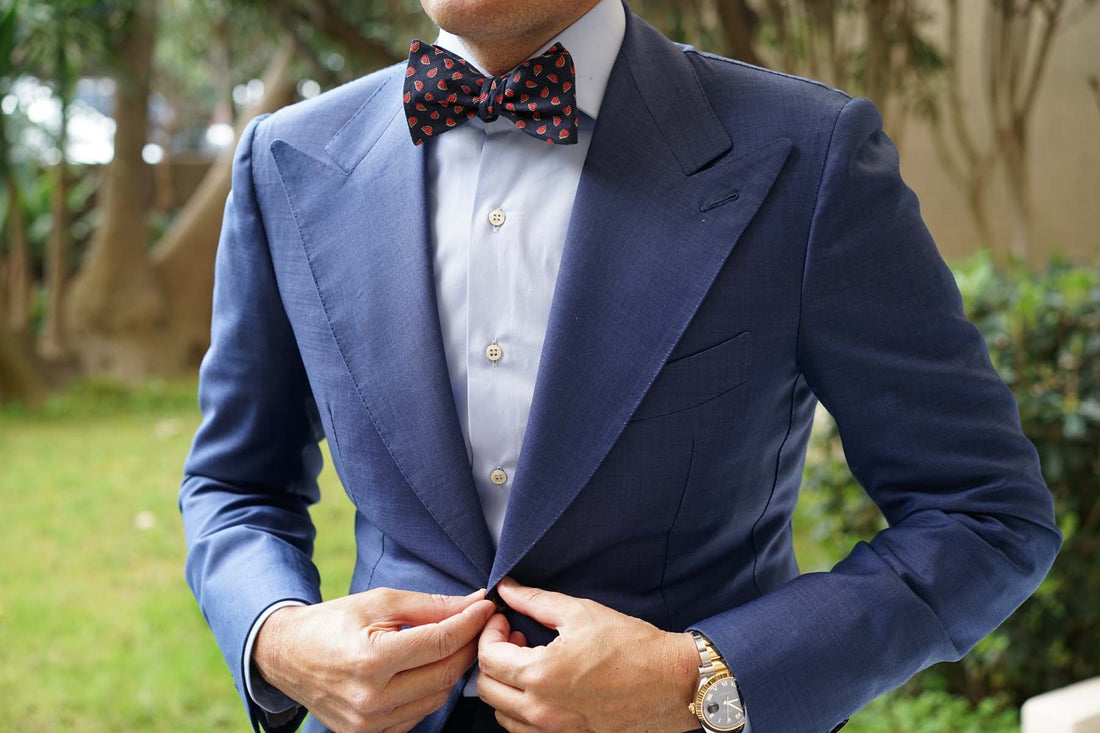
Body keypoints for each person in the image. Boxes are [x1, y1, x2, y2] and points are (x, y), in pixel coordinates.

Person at [178, 0, 1062, 731]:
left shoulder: (808, 154)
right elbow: (234, 484)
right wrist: (277, 636)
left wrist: (699, 676)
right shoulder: (287, 161)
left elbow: (984, 513)